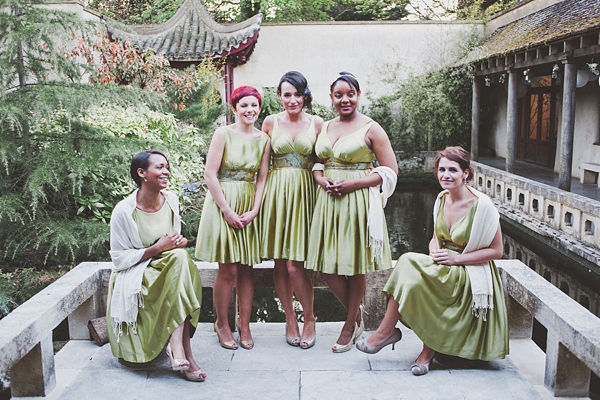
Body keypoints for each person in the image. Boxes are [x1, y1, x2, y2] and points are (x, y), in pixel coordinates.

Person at [356, 146, 509, 375]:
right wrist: (436, 253)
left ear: (466, 173)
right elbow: (435, 239)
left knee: (417, 271)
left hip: (468, 270)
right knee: (408, 263)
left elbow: (497, 251)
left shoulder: (482, 206)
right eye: (441, 170)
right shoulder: (441, 198)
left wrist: (456, 260)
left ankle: (409, 345)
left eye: (453, 170)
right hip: (445, 264)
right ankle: (388, 333)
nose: (445, 175)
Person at [307, 72, 398, 353]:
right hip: (328, 200)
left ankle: (348, 326)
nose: (344, 99)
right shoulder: (326, 126)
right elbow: (317, 161)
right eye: (338, 95)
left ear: (358, 95)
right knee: (323, 265)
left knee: (355, 264)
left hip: (357, 200)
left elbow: (391, 171)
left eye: (350, 94)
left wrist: (354, 184)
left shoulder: (372, 128)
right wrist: (321, 180)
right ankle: (356, 314)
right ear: (331, 98)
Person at [107, 150, 205, 382]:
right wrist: (157, 249)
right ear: (142, 173)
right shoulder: (123, 211)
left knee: (181, 259)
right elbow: (119, 260)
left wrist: (178, 242)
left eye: (167, 167)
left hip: (168, 268)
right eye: (159, 167)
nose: (166, 171)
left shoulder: (171, 200)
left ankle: (178, 347)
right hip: (138, 273)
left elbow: (173, 243)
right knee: (181, 262)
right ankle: (184, 354)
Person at [195, 86, 270, 350]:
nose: (250, 110)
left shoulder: (264, 139)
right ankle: (222, 323)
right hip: (223, 201)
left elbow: (262, 177)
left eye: (254, 105)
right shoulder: (223, 134)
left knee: (248, 268)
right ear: (234, 108)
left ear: (259, 108)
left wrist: (256, 208)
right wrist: (226, 210)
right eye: (244, 105)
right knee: (228, 269)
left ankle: (245, 325)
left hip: (249, 201)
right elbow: (210, 174)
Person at [259, 71, 323, 349]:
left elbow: (324, 162)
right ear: (279, 96)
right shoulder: (270, 122)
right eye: (287, 94)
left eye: (297, 94)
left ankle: (309, 317)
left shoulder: (318, 123)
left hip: (306, 192)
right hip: (277, 193)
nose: (293, 99)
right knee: (279, 261)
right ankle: (290, 318)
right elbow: (262, 166)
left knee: (296, 264)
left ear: (304, 95)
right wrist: (256, 202)